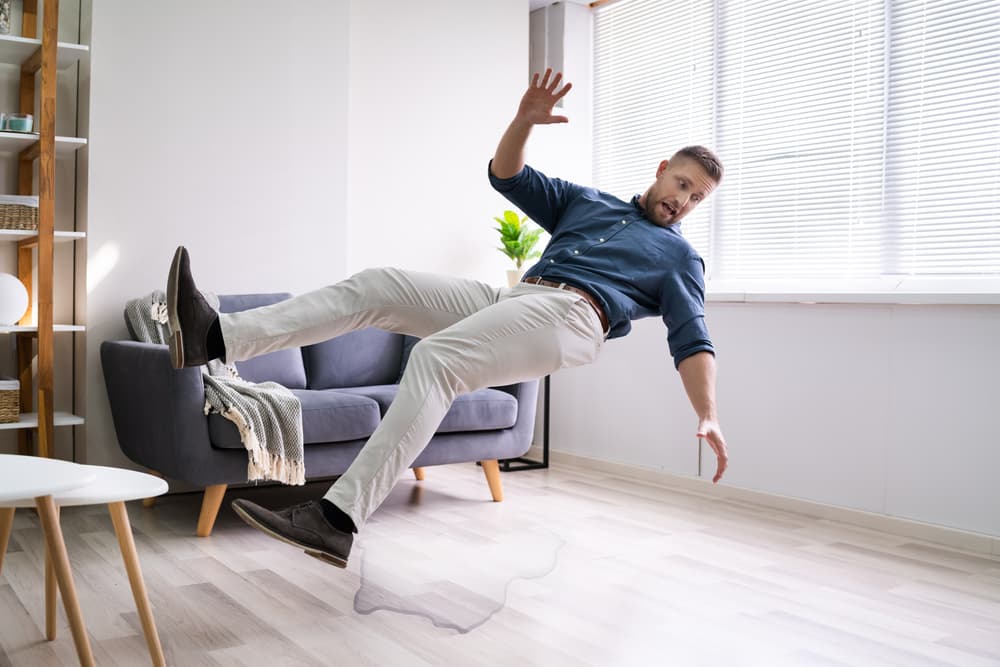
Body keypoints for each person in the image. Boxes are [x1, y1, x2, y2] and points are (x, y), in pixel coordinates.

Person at [166, 69, 729, 569]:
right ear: (661, 171)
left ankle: (336, 520)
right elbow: (508, 176)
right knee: (379, 285)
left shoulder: (679, 257)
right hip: (516, 298)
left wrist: (706, 413)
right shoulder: (589, 202)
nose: (683, 201)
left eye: (696, 199)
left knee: (437, 360)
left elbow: (692, 339)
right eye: (682, 184)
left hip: (575, 316)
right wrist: (523, 120)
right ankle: (213, 335)